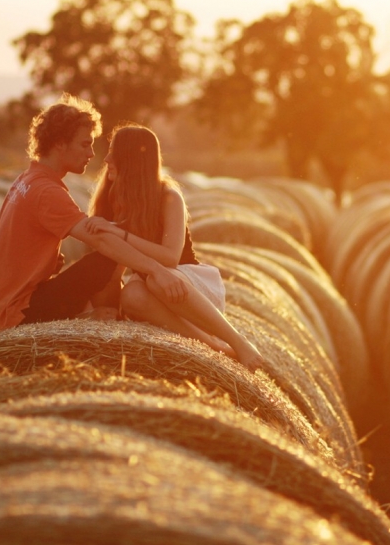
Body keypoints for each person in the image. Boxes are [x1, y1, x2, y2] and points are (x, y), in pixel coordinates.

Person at [0, 93, 189, 337]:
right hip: (20, 316)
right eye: (84, 144)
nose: (92, 154)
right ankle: (116, 330)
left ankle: (100, 318)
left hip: (6, 310)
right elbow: (102, 240)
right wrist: (158, 271)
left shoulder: (27, 179)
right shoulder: (46, 191)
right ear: (60, 143)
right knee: (106, 257)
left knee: (104, 254)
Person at [87, 123, 265, 371]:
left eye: (113, 152)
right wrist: (106, 308)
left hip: (190, 288)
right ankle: (215, 348)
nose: (106, 158)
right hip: (155, 294)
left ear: (131, 160)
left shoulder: (169, 196)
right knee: (132, 294)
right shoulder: (111, 196)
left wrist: (119, 232)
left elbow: (170, 258)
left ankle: (238, 341)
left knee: (157, 278)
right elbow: (112, 261)